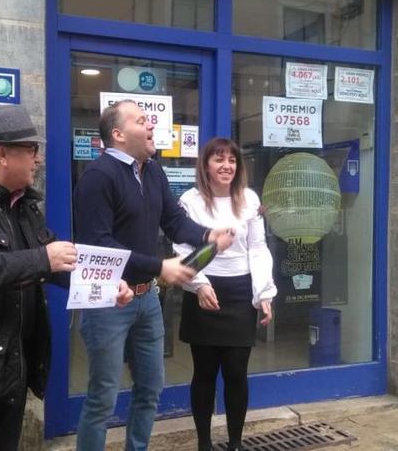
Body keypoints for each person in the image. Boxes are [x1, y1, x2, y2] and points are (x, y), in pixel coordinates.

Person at [0, 104, 133, 451]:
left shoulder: (23, 206)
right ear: (2, 154)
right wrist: (41, 259)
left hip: (11, 373)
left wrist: (107, 284)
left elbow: (56, 261)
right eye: (32, 150)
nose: (39, 159)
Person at [73, 100, 235, 451]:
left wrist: (208, 235)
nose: (151, 126)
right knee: (102, 397)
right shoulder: (97, 177)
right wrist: (160, 266)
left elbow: (174, 220)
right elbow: (99, 244)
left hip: (147, 300)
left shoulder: (154, 171)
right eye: (142, 120)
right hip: (107, 302)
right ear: (118, 134)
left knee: (150, 390)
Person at [173, 138, 277, 451]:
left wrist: (264, 292)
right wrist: (200, 284)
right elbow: (181, 247)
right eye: (219, 160)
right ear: (205, 165)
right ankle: (204, 443)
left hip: (240, 292)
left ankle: (234, 443)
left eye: (232, 160)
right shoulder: (189, 201)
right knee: (204, 373)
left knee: (236, 373)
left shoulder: (248, 199)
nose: (226, 166)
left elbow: (258, 248)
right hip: (204, 291)